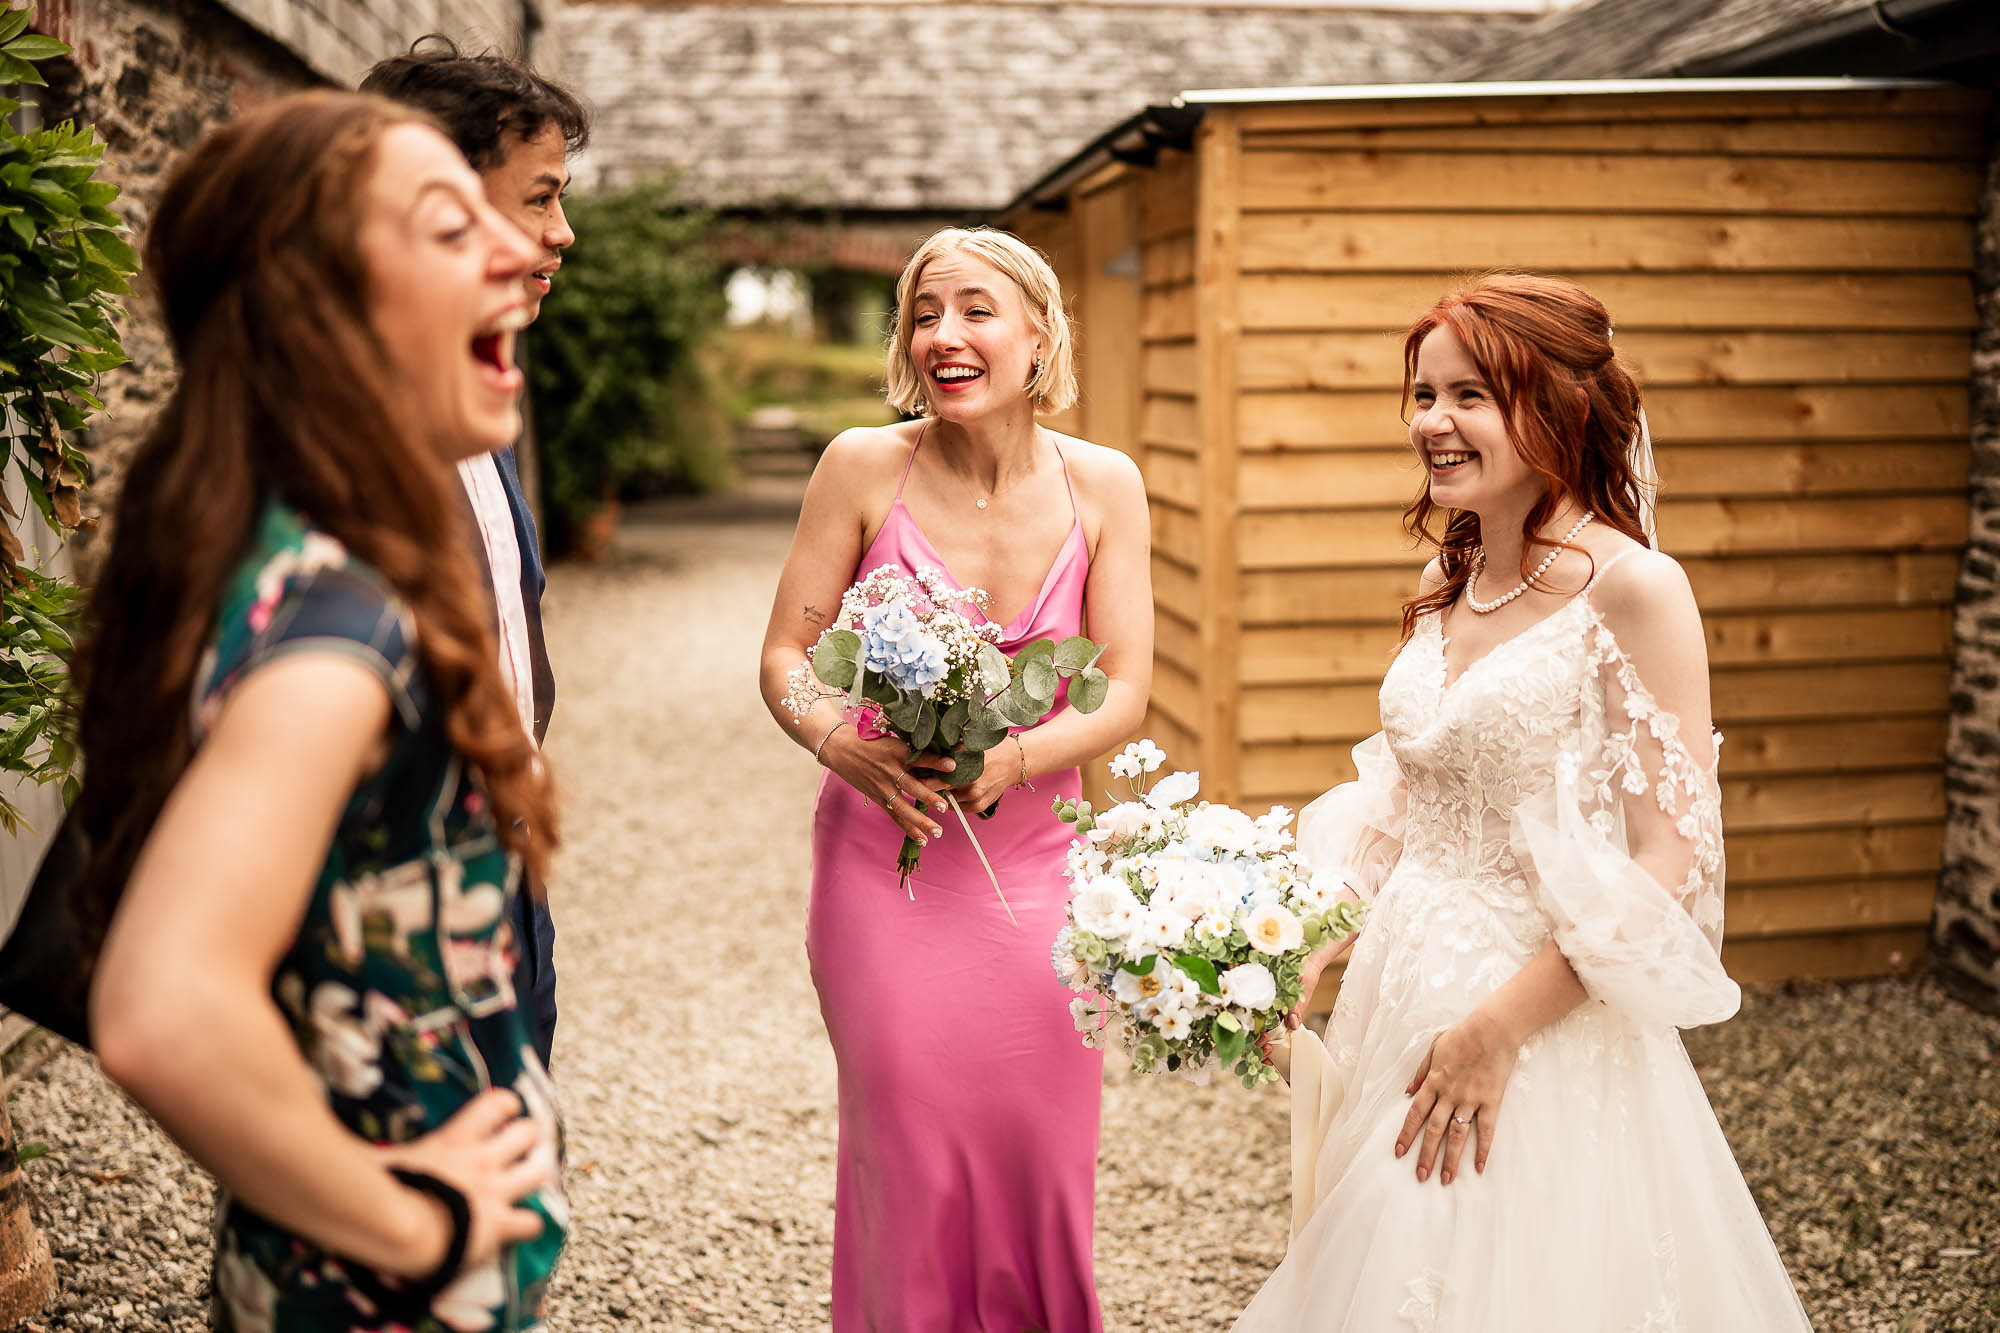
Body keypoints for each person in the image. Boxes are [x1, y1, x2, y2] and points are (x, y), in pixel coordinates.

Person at [1233, 273, 1814, 1332]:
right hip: (1401, 979)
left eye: (1469, 396)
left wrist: (1495, 1030)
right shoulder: (1452, 568)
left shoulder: (1632, 587)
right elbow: (1408, 792)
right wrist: (1309, 943)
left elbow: (1666, 858)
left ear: (1555, 405)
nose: (1432, 423)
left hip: (1534, 1018)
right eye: (1421, 394)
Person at [79, 91, 567, 1331]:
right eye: (452, 231)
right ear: (323, 302)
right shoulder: (347, 633)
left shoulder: (294, 557)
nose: (522, 249)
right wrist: (416, 1224)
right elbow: (161, 1010)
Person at [758, 226, 1153, 1331]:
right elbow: (784, 658)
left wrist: (1014, 757)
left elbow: (1120, 692)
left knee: (1040, 1153)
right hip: (881, 868)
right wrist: (845, 743)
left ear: (1037, 333)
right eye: (924, 314)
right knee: (909, 1149)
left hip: (1036, 869)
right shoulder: (857, 467)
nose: (946, 336)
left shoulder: (1107, 486)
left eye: (977, 310)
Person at [360, 36, 590, 1069]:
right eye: (538, 198)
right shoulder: (341, 444)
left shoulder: (480, 411)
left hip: (508, 872)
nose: (562, 232)